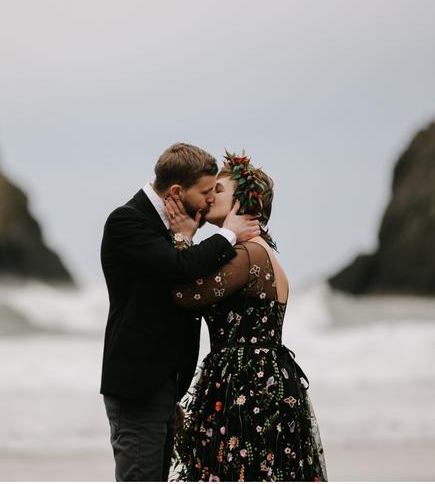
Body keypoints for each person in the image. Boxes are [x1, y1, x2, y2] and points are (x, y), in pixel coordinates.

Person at [100, 142, 262, 482]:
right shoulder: (127, 221)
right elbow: (179, 268)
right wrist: (229, 235)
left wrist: (186, 235)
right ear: (177, 190)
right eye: (205, 191)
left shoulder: (173, 228)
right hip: (138, 384)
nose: (209, 200)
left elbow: (183, 268)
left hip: (162, 385)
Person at [165, 151, 328, 482]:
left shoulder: (247, 253)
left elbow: (185, 294)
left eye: (219, 190)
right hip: (266, 378)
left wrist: (182, 238)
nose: (209, 196)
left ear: (243, 201)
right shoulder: (263, 251)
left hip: (245, 386)